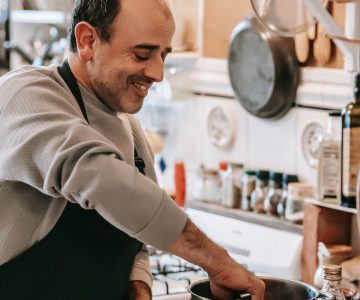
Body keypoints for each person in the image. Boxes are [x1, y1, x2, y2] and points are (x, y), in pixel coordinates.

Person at [0, 0, 265, 299]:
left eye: (163, 55)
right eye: (143, 54)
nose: (157, 73)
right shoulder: (23, 95)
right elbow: (97, 178)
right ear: (87, 41)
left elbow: (137, 234)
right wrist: (217, 263)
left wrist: (138, 285)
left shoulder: (130, 130)